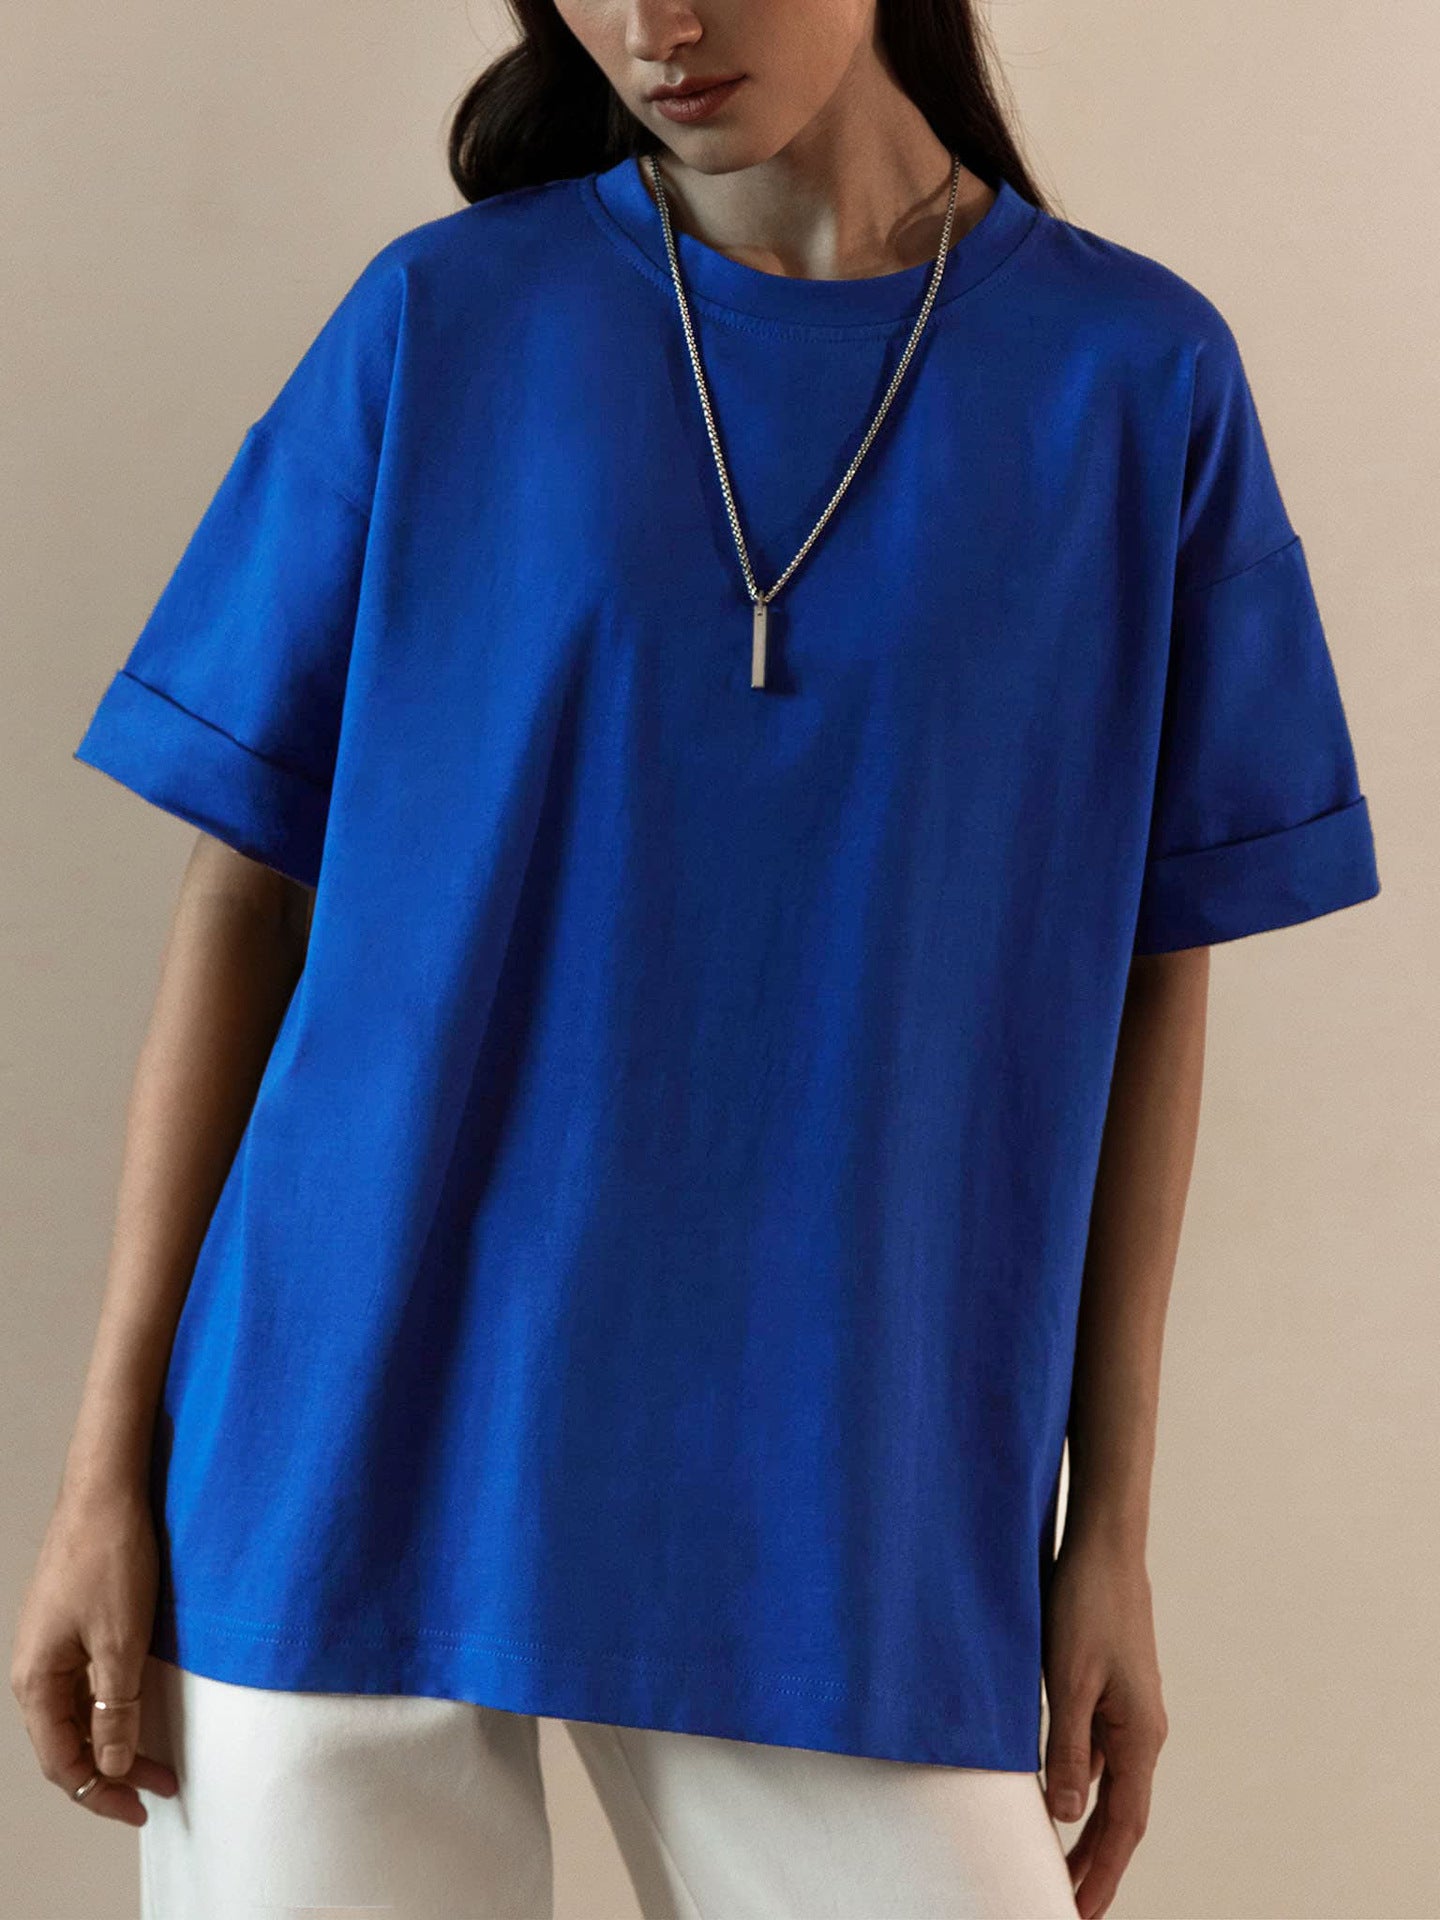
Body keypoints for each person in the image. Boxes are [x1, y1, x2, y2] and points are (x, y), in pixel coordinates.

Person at [12, 0, 1381, 1914]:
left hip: (844, 1494)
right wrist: (102, 1475)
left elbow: (1152, 970)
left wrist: (1108, 1536)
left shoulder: (1132, 381)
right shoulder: (440, 325)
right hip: (337, 1448)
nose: (656, 23)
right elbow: (245, 893)